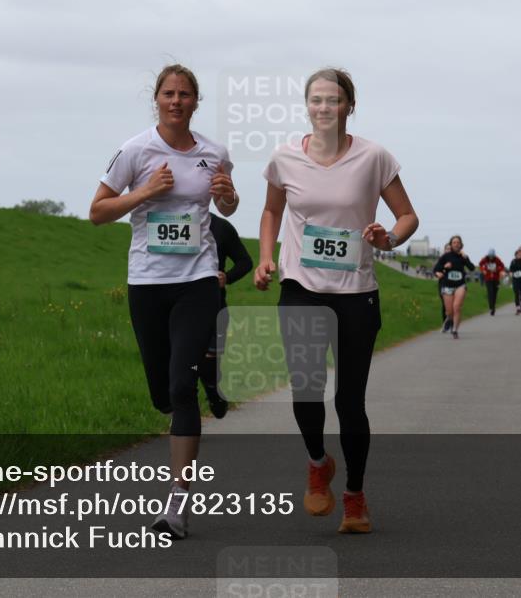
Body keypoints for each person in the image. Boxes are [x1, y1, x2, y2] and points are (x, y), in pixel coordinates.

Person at [254, 68, 418, 535]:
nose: (325, 108)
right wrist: (266, 257)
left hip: (356, 294)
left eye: (334, 100)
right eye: (317, 100)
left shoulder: (373, 158)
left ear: (350, 106)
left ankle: (355, 495)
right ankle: (316, 462)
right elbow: (271, 210)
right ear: (308, 106)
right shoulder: (285, 158)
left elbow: (406, 215)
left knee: (349, 401)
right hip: (301, 289)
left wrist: (388, 238)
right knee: (305, 390)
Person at [89, 64, 239, 540]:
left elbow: (228, 207)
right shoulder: (135, 150)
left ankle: (177, 504)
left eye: (185, 94)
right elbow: (96, 212)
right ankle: (174, 408)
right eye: (169, 93)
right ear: (156, 99)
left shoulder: (214, 153)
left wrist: (229, 195)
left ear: (196, 102)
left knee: (182, 386)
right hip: (148, 282)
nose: (176, 100)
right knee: (162, 394)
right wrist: (145, 192)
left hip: (197, 278)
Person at [198, 212, 253, 417]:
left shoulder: (221, 227)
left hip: (214, 306)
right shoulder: (166, 221)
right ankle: (186, 411)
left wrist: (227, 277)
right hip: (177, 306)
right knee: (185, 363)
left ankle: (213, 392)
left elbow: (245, 261)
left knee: (207, 362)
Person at [432, 235, 475, 338]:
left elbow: (472, 268)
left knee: (457, 307)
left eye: (458, 242)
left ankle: (455, 330)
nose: (456, 244)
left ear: (461, 245)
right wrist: (443, 268)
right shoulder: (446, 256)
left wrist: (466, 258)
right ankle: (449, 319)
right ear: (451, 244)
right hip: (447, 285)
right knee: (449, 311)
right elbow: (436, 269)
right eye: (454, 242)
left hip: (460, 285)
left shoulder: (463, 257)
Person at [476, 248, 506, 316]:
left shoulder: (497, 259)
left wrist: (497, 269)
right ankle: (491, 308)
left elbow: (502, 266)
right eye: (490, 256)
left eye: (492, 256)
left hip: (496, 279)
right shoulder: (485, 259)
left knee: (495, 293)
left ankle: (493, 306)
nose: (491, 257)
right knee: (490, 293)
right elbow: (480, 265)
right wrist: (483, 270)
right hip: (488, 278)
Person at [436, 242, 452, 323]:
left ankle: (451, 321)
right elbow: (436, 270)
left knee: (452, 305)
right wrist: (438, 273)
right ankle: (445, 322)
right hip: (443, 283)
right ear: (444, 250)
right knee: (445, 303)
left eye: (450, 249)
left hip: (453, 284)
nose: (448, 250)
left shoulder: (455, 259)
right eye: (447, 249)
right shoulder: (441, 259)